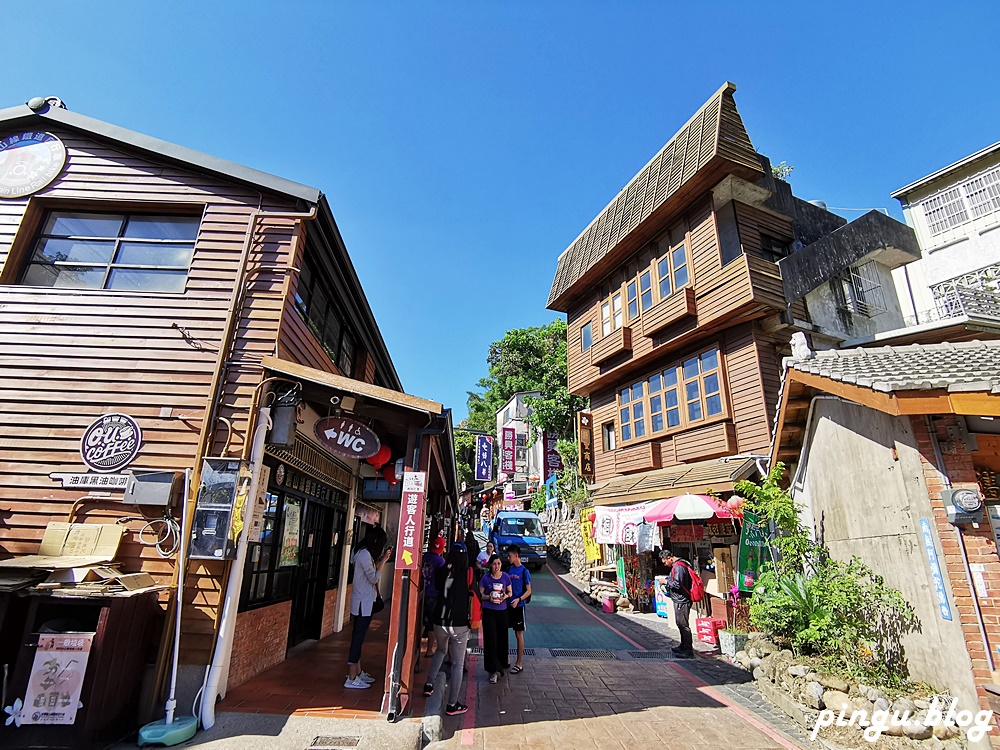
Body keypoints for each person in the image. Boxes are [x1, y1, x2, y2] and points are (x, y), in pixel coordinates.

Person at [422, 543, 472, 716]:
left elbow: (436, 587)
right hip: (459, 624)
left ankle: (429, 684)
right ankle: (452, 704)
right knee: (458, 664)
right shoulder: (468, 573)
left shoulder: (442, 570)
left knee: (441, 650)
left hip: (439, 622)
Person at [345, 526, 392, 689]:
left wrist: (381, 558)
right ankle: (351, 677)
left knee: (359, 637)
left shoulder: (360, 552)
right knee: (358, 638)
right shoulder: (364, 554)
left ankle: (357, 672)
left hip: (362, 602)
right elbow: (373, 578)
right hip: (362, 603)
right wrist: (384, 562)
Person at [478, 553, 511, 684]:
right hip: (489, 612)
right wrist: (489, 597)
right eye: (494, 564)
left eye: (498, 564)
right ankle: (493, 670)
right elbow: (480, 594)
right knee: (491, 639)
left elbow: (510, 592)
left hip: (502, 612)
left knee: (502, 639)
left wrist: (504, 597)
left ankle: (501, 664)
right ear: (490, 565)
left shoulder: (506, 577)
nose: (496, 566)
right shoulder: (485, 579)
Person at [660, 550, 694, 658]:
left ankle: (688, 650)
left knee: (683, 625)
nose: (665, 564)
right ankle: (683, 646)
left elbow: (678, 584)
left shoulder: (679, 567)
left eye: (665, 562)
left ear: (669, 558)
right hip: (679, 599)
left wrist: (666, 582)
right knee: (680, 623)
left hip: (682, 599)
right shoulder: (677, 566)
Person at [505, 544, 532, 674]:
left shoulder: (524, 571)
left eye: (510, 555)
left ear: (516, 556)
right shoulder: (509, 569)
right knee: (504, 632)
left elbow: (528, 591)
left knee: (518, 633)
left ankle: (519, 663)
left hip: (519, 606)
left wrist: (519, 600)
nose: (508, 558)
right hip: (507, 606)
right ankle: (505, 659)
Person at [422, 537, 447, 657]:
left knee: (421, 621)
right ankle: (429, 649)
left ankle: (416, 644)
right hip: (434, 594)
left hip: (422, 591)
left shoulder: (425, 557)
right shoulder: (441, 561)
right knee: (431, 623)